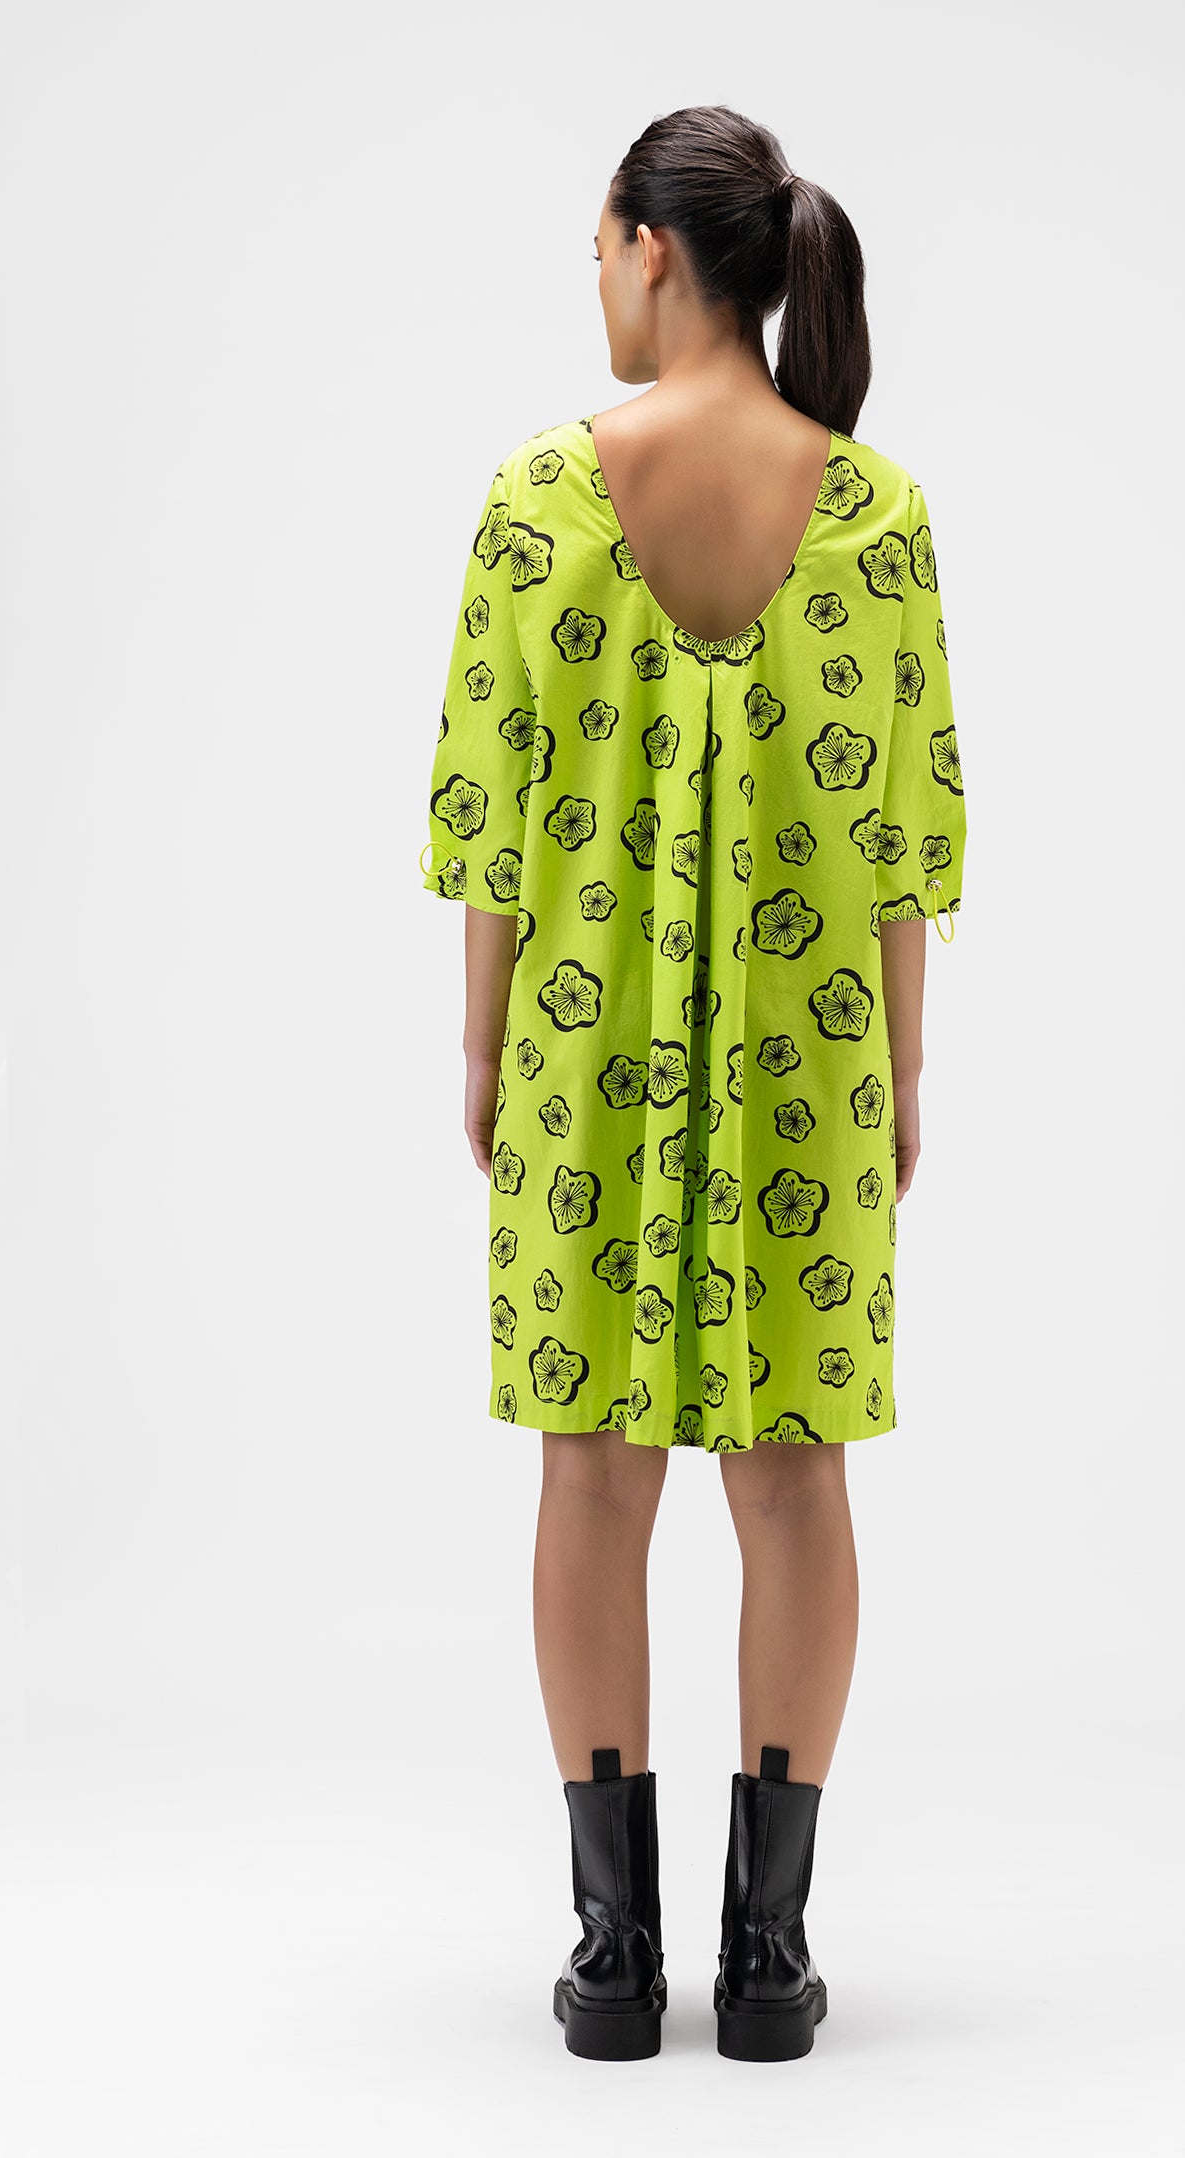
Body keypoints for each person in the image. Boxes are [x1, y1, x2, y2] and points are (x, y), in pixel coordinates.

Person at [417, 104, 967, 2064]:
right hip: (816, 1048)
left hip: (585, 1041)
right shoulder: (878, 514)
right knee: (796, 1473)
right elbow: (908, 836)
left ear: (655, 248)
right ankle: (769, 1952)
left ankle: (608, 1947)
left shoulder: (539, 500)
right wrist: (906, 1067)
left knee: (589, 1463)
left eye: (599, 250)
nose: (598, 284)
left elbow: (487, 818)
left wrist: (483, 1043)